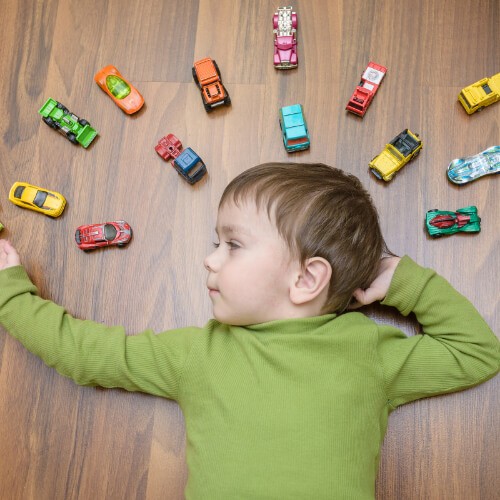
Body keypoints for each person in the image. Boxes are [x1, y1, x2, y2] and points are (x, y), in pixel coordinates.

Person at [0, 162, 498, 499]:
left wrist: (399, 276)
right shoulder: (198, 353)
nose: (209, 258)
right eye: (217, 242)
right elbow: (85, 353)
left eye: (232, 245)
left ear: (306, 279)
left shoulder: (368, 351)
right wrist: (10, 294)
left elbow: (478, 353)